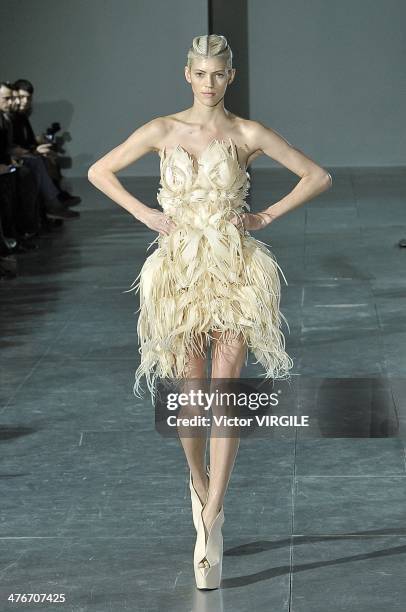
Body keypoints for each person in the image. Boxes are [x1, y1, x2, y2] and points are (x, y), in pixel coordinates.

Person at [88, 34, 332, 590]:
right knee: (191, 387)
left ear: (231, 77)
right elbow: (100, 172)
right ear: (187, 74)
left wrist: (267, 215)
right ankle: (198, 485)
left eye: (219, 74)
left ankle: (213, 516)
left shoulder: (247, 134)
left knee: (225, 387)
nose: (210, 83)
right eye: (201, 73)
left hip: (235, 268)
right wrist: (143, 213)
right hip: (176, 272)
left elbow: (317, 176)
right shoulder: (161, 130)